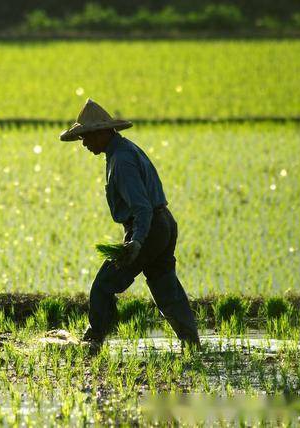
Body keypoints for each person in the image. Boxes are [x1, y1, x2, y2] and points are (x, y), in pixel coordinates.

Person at [59, 99, 200, 349]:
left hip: (148, 228)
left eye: (87, 136)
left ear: (102, 132)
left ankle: (93, 341)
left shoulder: (121, 162)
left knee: (104, 284)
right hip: (164, 223)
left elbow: (141, 207)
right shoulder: (123, 150)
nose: (84, 143)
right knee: (165, 285)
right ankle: (191, 343)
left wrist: (136, 241)